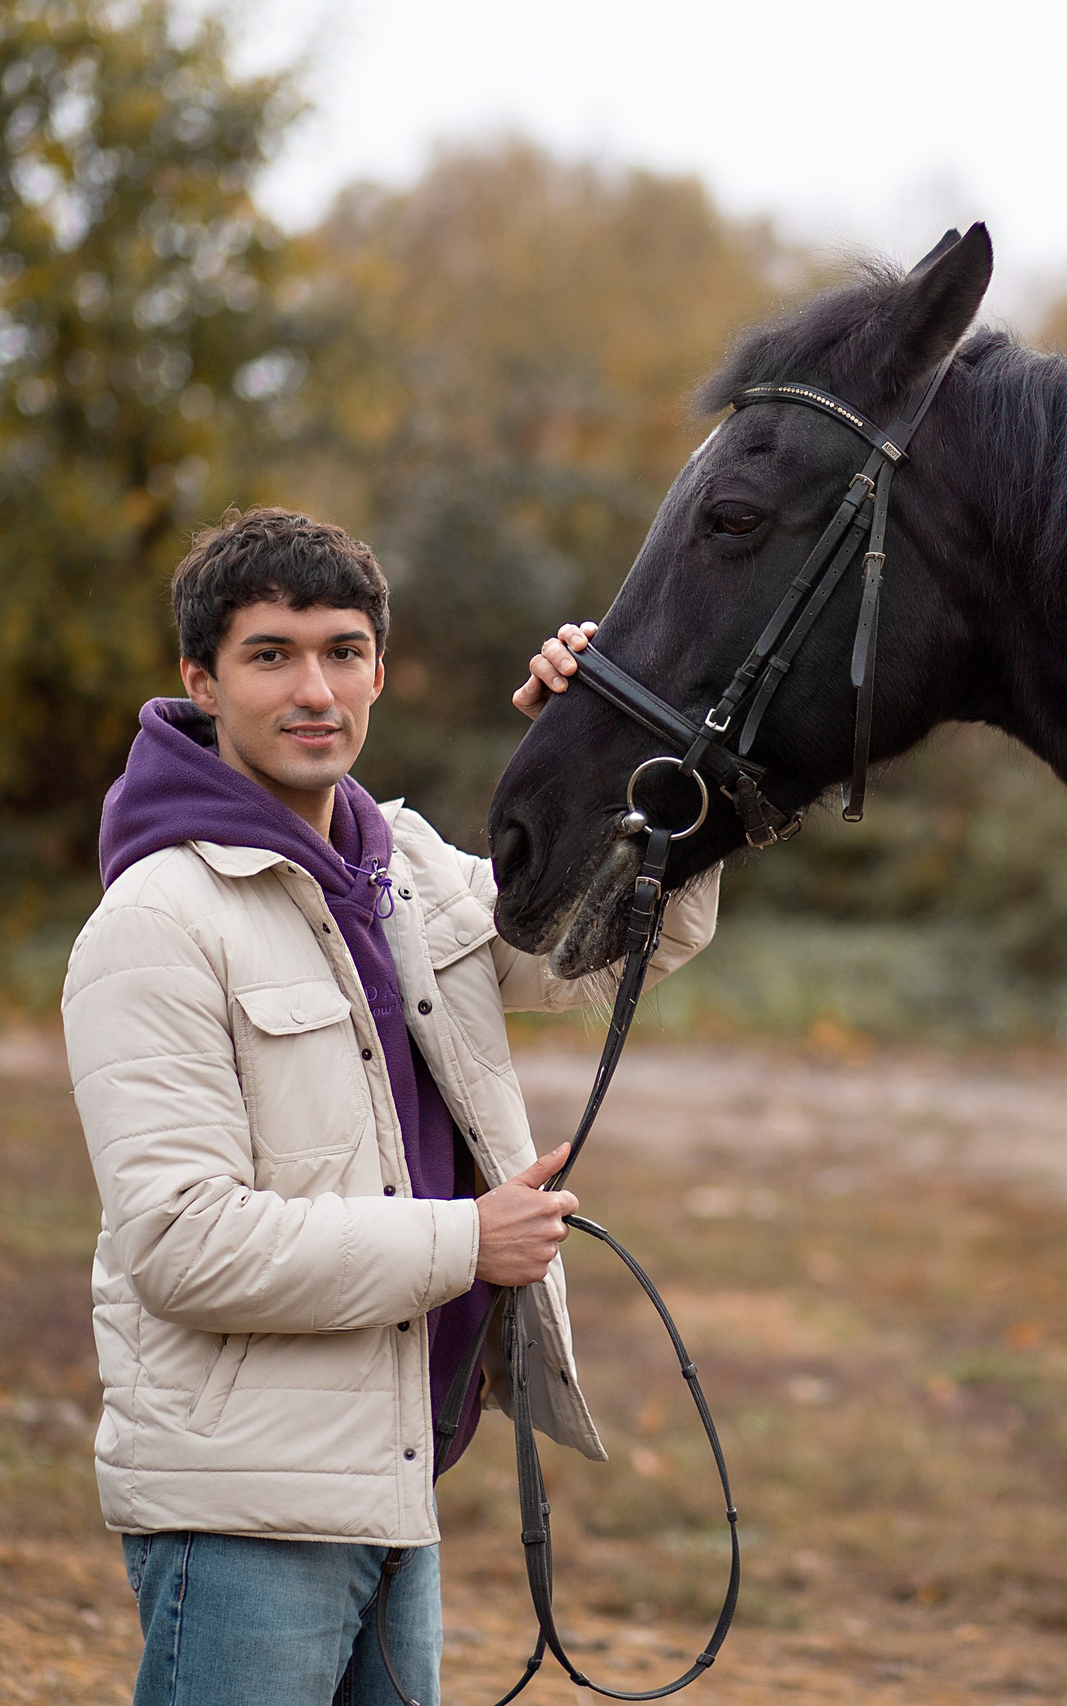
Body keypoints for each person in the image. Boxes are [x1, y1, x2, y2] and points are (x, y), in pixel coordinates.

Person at [61, 509, 717, 1706]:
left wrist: (608, 735)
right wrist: (471, 1240)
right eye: (272, 654)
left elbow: (608, 948)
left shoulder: (401, 867)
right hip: (240, 1509)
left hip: (395, 1475)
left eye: (344, 650)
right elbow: (182, 1242)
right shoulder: (156, 922)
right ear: (200, 678)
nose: (316, 688)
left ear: (380, 667)